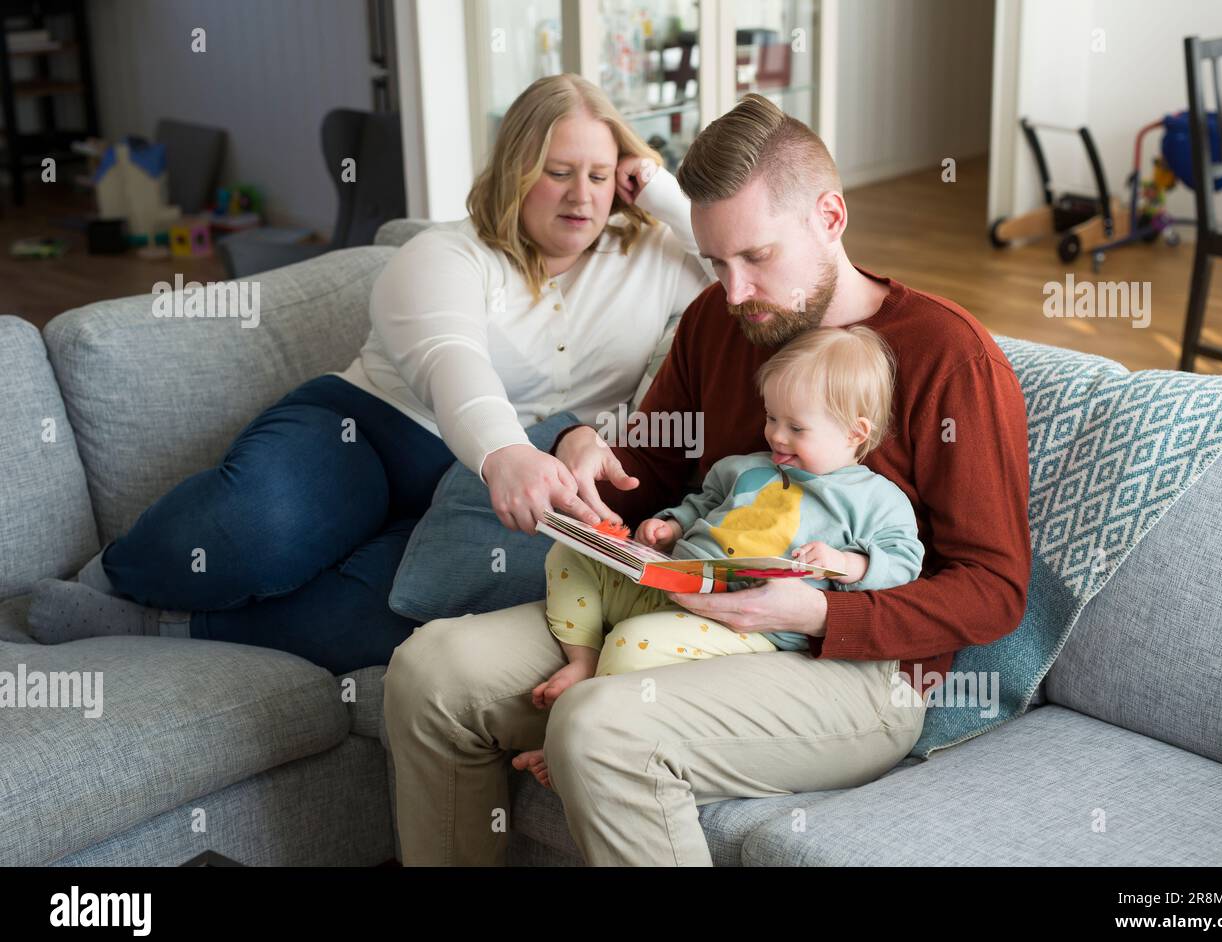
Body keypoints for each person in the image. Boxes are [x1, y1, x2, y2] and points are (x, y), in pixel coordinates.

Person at [383, 93, 1031, 866]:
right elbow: (649, 477)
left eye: (756, 257)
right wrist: (589, 451)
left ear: (829, 217)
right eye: (716, 261)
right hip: (679, 605)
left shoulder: (949, 358)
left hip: (850, 671)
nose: (733, 292)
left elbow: (994, 589)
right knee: (430, 671)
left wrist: (823, 613)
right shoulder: (716, 322)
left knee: (600, 727)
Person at [24, 74, 711, 674]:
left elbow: (751, 283)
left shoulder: (651, 254)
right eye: (558, 172)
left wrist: (664, 192)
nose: (582, 199)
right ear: (514, 170)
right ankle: (116, 576)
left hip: (489, 493)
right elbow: (452, 360)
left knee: (397, 617)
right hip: (373, 430)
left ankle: (163, 630)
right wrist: (505, 452)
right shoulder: (445, 255)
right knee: (254, 535)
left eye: (600, 175)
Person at [517, 325, 925, 789]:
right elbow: (701, 506)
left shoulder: (875, 499)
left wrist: (850, 564)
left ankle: (570, 738)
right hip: (670, 580)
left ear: (856, 432)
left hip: (741, 623)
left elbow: (904, 561)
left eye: (796, 427)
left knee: (635, 642)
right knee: (570, 552)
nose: (776, 436)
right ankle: (583, 657)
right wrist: (668, 526)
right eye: (772, 418)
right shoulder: (744, 466)